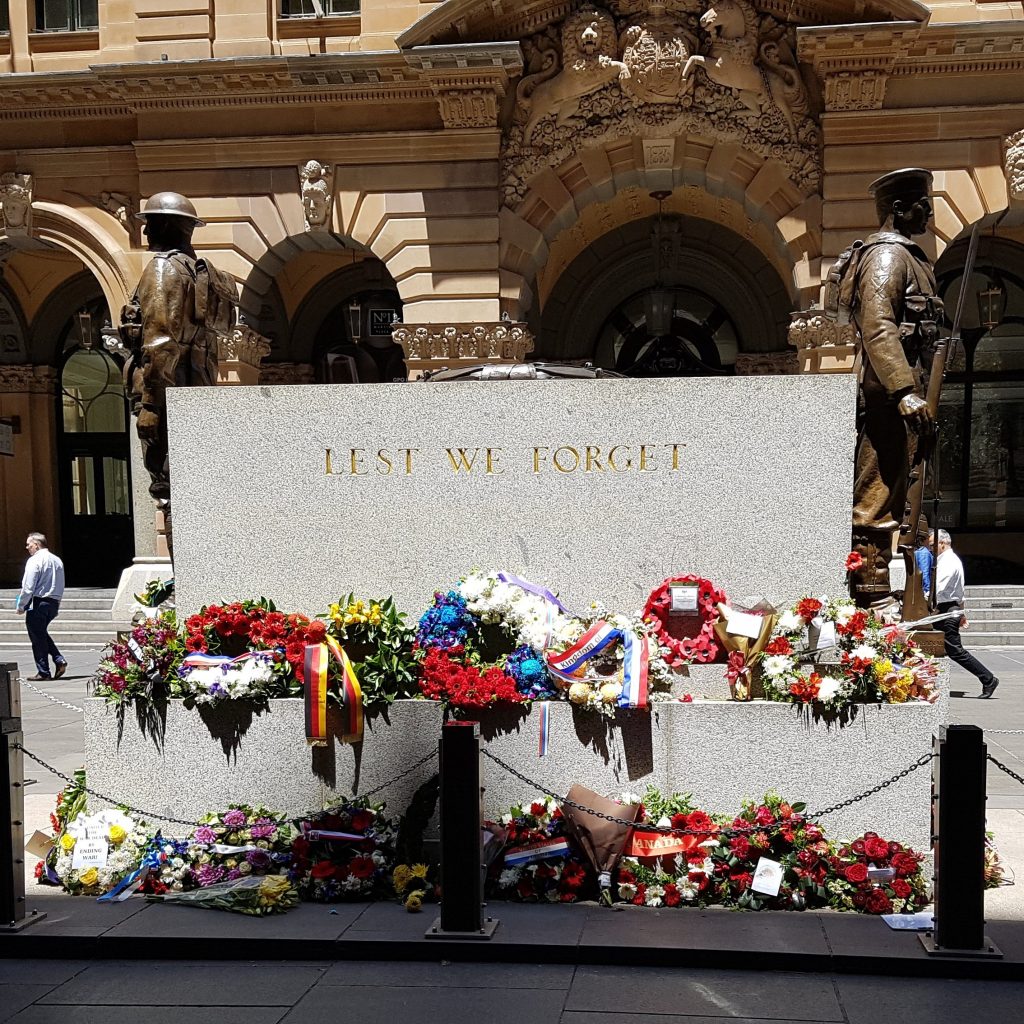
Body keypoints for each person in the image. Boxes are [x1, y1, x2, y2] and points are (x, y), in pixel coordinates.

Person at [121, 191, 237, 559]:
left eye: (150, 223)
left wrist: (151, 404)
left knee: (168, 488)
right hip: (194, 390)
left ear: (168, 224)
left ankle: (185, 584)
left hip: (166, 394)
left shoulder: (163, 268)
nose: (146, 231)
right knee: (190, 488)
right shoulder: (203, 273)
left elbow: (160, 340)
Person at [848, 168, 941, 609]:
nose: (930, 212)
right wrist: (903, 389)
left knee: (902, 493)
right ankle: (871, 594)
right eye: (923, 204)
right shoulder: (888, 256)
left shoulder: (911, 255)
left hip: (906, 399)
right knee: (878, 496)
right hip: (888, 399)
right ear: (900, 209)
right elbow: (878, 326)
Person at [934, 529, 999, 698]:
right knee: (936, 648)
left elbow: (939, 590)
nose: (929, 548)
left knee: (956, 651)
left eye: (932, 544)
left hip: (945, 610)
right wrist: (962, 612)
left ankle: (988, 679)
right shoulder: (946, 560)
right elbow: (960, 592)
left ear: (942, 543)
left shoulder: (948, 561)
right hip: (948, 609)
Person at [16, 532, 67, 681]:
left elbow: (28, 586)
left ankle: (44, 671)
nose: (27, 547)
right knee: (40, 633)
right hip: (53, 602)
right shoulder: (57, 560)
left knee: (37, 637)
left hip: (38, 601)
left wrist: (21, 605)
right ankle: (58, 660)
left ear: (37, 545)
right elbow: (60, 583)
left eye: (29, 544)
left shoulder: (34, 560)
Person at [913, 520, 934, 598]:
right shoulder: (924, 553)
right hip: (924, 591)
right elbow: (924, 573)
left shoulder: (918, 552)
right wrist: (928, 591)